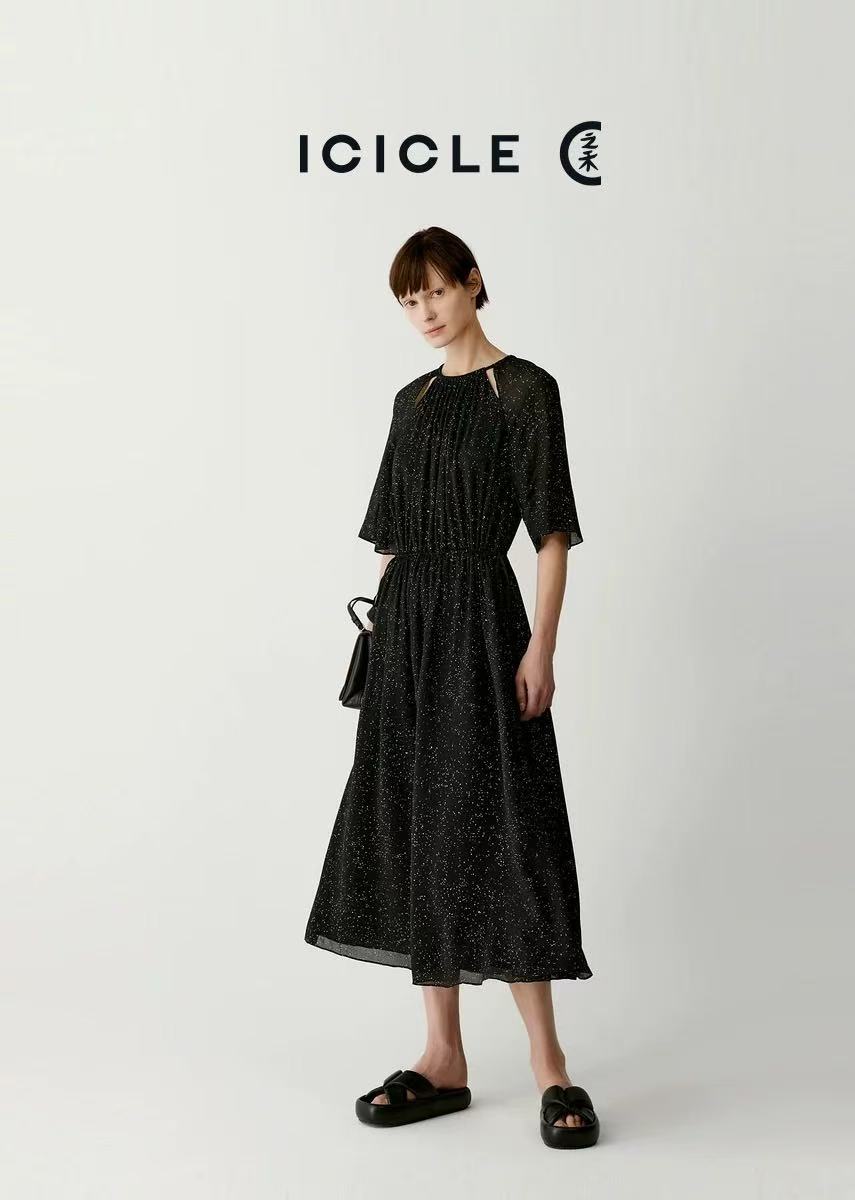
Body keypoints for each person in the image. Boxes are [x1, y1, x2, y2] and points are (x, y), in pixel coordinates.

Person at [304, 227, 599, 1149]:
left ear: (474, 285)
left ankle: (550, 1065)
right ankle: (442, 1056)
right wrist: (386, 645)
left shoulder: (526, 390)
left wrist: (542, 646)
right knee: (419, 824)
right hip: (409, 633)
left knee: (507, 823)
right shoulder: (413, 400)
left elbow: (551, 531)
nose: (424, 312)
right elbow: (390, 535)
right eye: (408, 300)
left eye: (435, 291)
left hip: (483, 621)